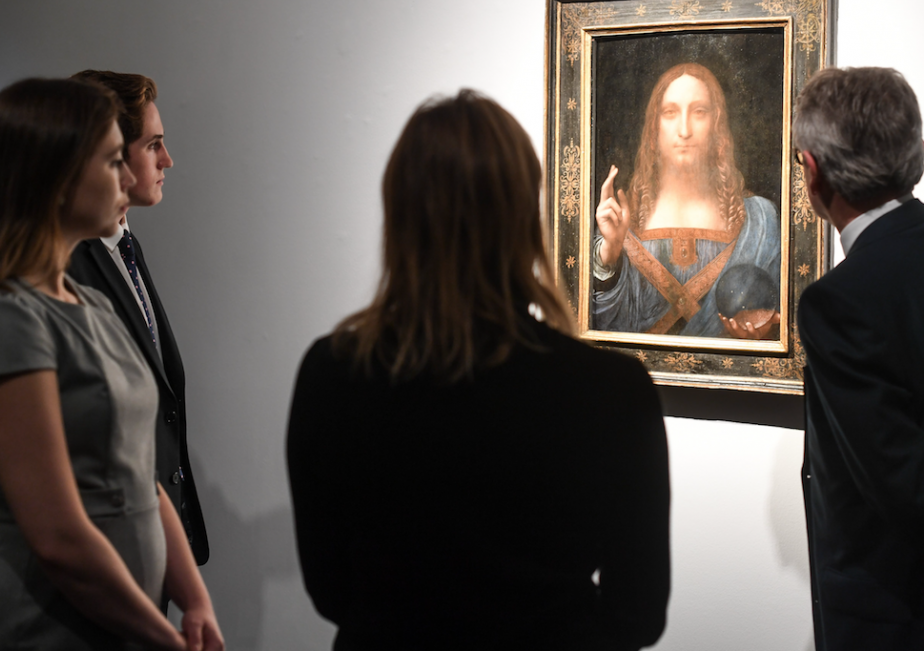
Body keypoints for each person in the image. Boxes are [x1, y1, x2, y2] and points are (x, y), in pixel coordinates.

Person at [287, 90, 671, 650]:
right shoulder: (612, 390)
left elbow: (331, 590)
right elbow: (637, 614)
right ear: (524, 219)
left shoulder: (334, 374)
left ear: (400, 215)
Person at [0, 78, 223, 650]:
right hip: (48, 626)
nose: (127, 179)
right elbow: (58, 536)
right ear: (58, 175)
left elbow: (141, 471)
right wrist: (160, 637)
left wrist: (195, 600)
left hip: (127, 622)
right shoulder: (7, 317)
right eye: (114, 161)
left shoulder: (90, 302)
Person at [794, 67, 924, 651]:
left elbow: (909, 495)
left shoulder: (839, 302)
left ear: (811, 171)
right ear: (919, 153)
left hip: (915, 618)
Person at [67, 70, 209, 567]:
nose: (167, 159)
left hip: (153, 547)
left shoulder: (125, 244)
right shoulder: (65, 265)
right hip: (102, 561)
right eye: (153, 145)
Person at [592, 62, 781, 339]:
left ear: (717, 126)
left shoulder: (760, 220)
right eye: (670, 113)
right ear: (654, 129)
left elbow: (780, 320)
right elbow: (599, 324)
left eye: (699, 112)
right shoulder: (620, 219)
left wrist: (762, 333)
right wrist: (609, 252)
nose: (684, 130)